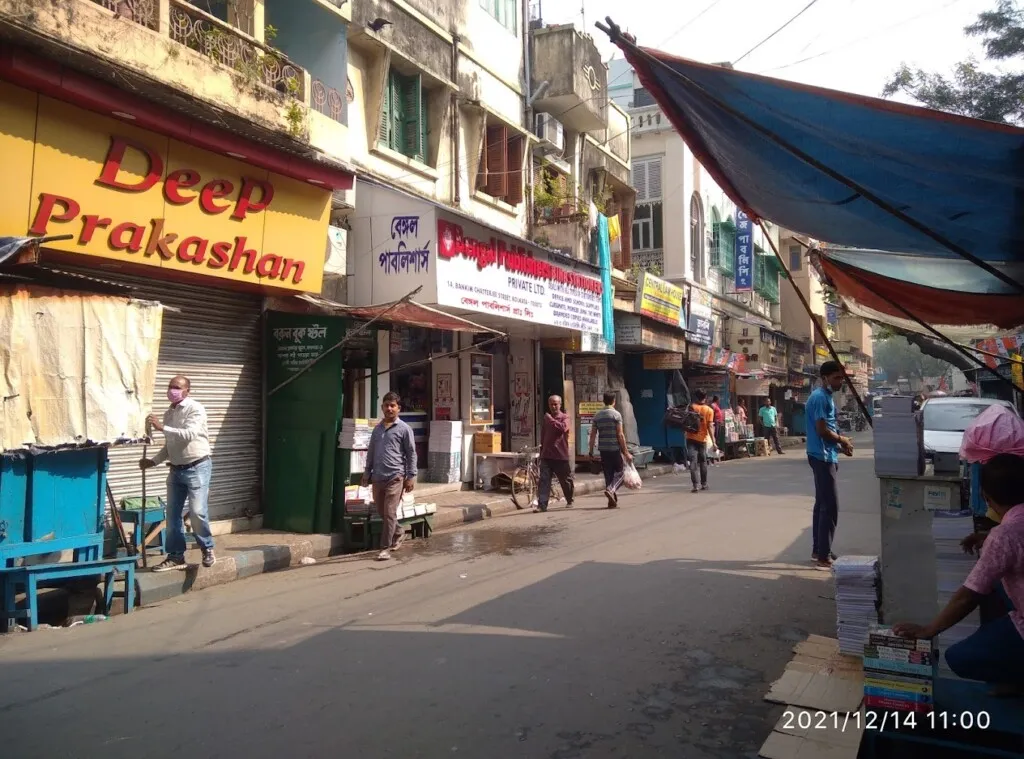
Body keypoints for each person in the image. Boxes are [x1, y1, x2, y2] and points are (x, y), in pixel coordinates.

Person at [894, 453, 1024, 697]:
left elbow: (969, 595)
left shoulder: (1004, 536)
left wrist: (928, 630)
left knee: (957, 657)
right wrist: (989, 539)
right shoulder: (1005, 534)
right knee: (999, 581)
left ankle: (1016, 673)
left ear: (986, 496)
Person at [141, 375, 216, 571]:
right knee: (172, 516)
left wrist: (161, 428)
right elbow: (171, 444)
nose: (172, 390)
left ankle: (207, 548)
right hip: (176, 470)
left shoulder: (195, 409)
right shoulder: (169, 413)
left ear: (187, 390)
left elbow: (189, 434)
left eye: (177, 387)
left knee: (198, 511)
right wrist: (153, 461)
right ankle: (175, 556)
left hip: (197, 467)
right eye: (170, 386)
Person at [805, 361, 854, 569]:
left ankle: (820, 549)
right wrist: (842, 440)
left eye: (842, 378)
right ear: (824, 378)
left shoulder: (826, 397)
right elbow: (822, 430)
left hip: (827, 454)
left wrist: (840, 447)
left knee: (821, 504)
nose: (840, 381)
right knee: (830, 506)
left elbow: (827, 429)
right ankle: (823, 553)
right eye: (836, 377)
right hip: (822, 457)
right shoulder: (819, 398)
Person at [362, 392, 417, 561]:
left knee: (389, 511)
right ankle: (399, 532)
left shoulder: (404, 429)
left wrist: (411, 476)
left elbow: (411, 453)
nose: (389, 408)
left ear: (398, 408)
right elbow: (371, 452)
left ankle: (385, 547)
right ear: (382, 408)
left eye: (393, 406)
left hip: (396, 476)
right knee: (382, 511)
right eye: (386, 405)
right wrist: (366, 473)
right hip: (378, 476)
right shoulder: (377, 429)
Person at [588, 390, 632, 508]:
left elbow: (592, 435)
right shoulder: (616, 415)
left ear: (603, 401)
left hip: (603, 450)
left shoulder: (597, 415)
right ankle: (611, 489)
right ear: (614, 401)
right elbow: (620, 435)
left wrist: (591, 451)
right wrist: (626, 452)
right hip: (614, 449)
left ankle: (611, 500)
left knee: (608, 475)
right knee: (621, 473)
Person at [538, 394, 574, 512]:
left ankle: (569, 499)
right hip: (547, 455)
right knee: (544, 480)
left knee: (565, 480)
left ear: (560, 404)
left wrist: (551, 420)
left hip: (560, 455)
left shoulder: (565, 418)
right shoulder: (546, 418)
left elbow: (563, 428)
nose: (553, 406)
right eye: (551, 404)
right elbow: (544, 434)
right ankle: (542, 505)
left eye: (555, 404)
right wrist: (541, 447)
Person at [685, 389, 716, 494]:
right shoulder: (709, 410)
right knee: (703, 462)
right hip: (702, 439)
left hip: (690, 438)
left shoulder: (691, 407)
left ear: (696, 397)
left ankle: (695, 485)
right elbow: (710, 427)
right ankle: (704, 483)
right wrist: (714, 442)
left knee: (693, 462)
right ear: (705, 397)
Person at [710, 395, 725, 465]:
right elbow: (711, 414)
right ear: (716, 399)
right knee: (714, 440)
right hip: (715, 423)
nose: (719, 401)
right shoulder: (713, 405)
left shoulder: (716, 405)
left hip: (718, 423)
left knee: (717, 439)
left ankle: (716, 456)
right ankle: (713, 457)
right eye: (719, 399)